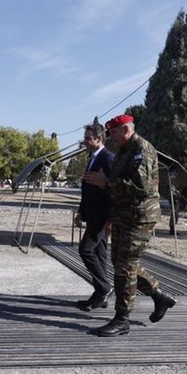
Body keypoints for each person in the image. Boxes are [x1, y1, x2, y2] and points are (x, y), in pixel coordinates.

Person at [82, 114, 177, 337]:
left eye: (113, 133)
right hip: (126, 215)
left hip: (140, 216)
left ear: (125, 130)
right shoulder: (125, 150)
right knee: (122, 262)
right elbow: (121, 190)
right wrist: (112, 216)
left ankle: (122, 319)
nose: (110, 137)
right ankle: (158, 296)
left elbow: (141, 187)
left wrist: (105, 183)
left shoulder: (140, 149)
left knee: (124, 265)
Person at [74, 121, 115, 312]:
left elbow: (114, 191)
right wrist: (81, 211)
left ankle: (105, 287)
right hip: (91, 214)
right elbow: (88, 188)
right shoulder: (92, 157)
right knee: (99, 254)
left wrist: (111, 218)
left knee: (86, 250)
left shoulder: (107, 158)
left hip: (102, 217)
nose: (85, 142)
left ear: (99, 139)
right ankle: (101, 295)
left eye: (88, 138)